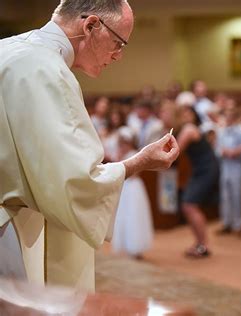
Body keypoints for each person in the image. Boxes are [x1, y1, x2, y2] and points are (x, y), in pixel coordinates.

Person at [0, 0, 179, 291]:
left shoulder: (7, 49)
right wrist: (140, 161)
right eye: (118, 42)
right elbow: (77, 183)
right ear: (91, 26)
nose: (118, 55)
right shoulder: (47, 70)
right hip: (8, 234)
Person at [175, 103, 219, 258]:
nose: (185, 116)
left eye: (188, 113)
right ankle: (200, 243)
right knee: (189, 205)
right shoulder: (188, 129)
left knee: (190, 205)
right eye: (182, 113)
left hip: (206, 170)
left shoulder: (189, 129)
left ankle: (204, 245)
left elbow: (176, 151)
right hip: (201, 170)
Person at [111, 127, 154, 260]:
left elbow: (135, 174)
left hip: (133, 188)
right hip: (123, 189)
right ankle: (125, 245)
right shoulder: (120, 154)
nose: (123, 146)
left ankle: (135, 247)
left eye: (125, 143)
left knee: (134, 215)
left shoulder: (136, 154)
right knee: (122, 215)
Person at [216, 106, 241, 234]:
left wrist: (236, 152)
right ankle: (226, 222)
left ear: (235, 118)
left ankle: (238, 223)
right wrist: (223, 152)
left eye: (231, 116)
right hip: (225, 165)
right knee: (225, 194)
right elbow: (217, 149)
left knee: (237, 193)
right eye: (227, 115)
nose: (228, 118)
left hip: (237, 164)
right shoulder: (221, 131)